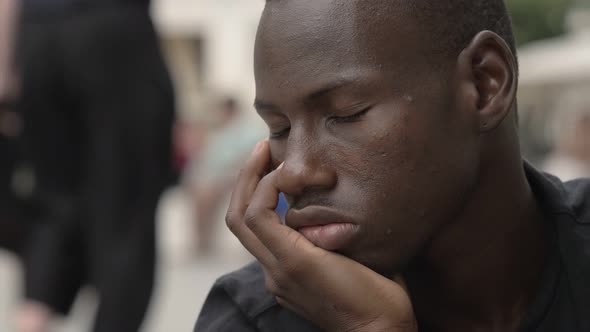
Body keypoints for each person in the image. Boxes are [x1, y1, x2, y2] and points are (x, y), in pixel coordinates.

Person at [194, 0, 590, 331]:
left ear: (485, 83)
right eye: (279, 128)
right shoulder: (249, 321)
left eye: (347, 114)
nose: (294, 171)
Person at [15, 0, 174, 331]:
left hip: (36, 35)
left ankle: (31, 322)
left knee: (52, 203)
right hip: (113, 30)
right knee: (126, 215)